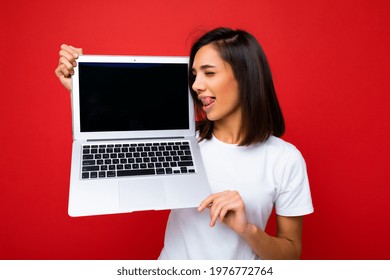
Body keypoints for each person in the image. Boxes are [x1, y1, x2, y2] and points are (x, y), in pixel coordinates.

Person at [55, 27, 313, 260]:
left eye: (209, 73)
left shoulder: (285, 159)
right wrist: (78, 86)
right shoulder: (185, 142)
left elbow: (291, 254)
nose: (196, 85)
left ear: (245, 77)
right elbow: (112, 128)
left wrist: (248, 230)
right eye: (194, 75)